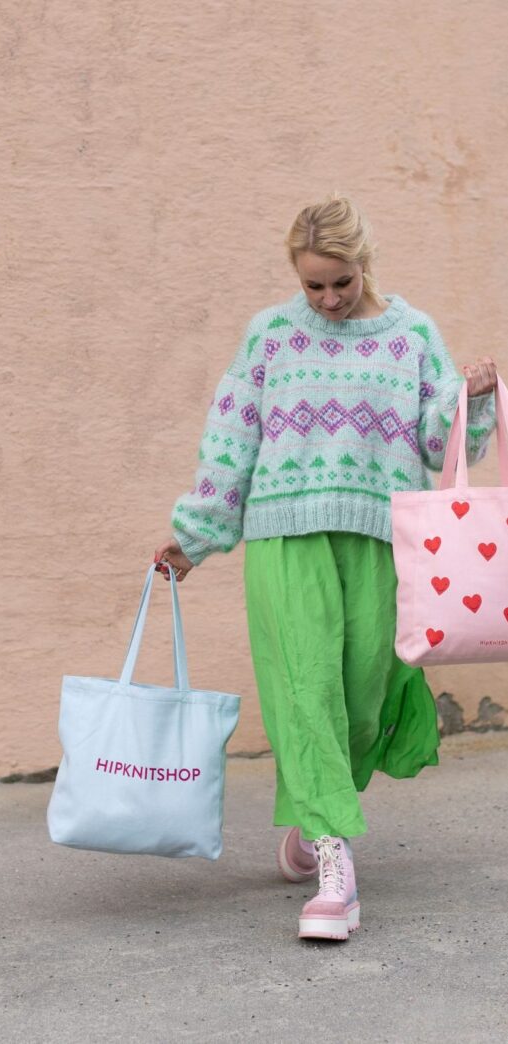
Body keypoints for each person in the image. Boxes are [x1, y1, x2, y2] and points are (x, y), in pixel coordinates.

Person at [153, 195, 498, 942]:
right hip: (285, 538)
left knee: (363, 702)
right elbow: (230, 440)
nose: (328, 299)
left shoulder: (411, 335)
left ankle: (314, 822)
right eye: (313, 285)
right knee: (307, 693)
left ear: (363, 263)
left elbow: (439, 444)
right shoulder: (270, 335)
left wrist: (469, 401)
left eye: (340, 282)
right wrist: (196, 535)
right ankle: (335, 871)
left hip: (378, 538)